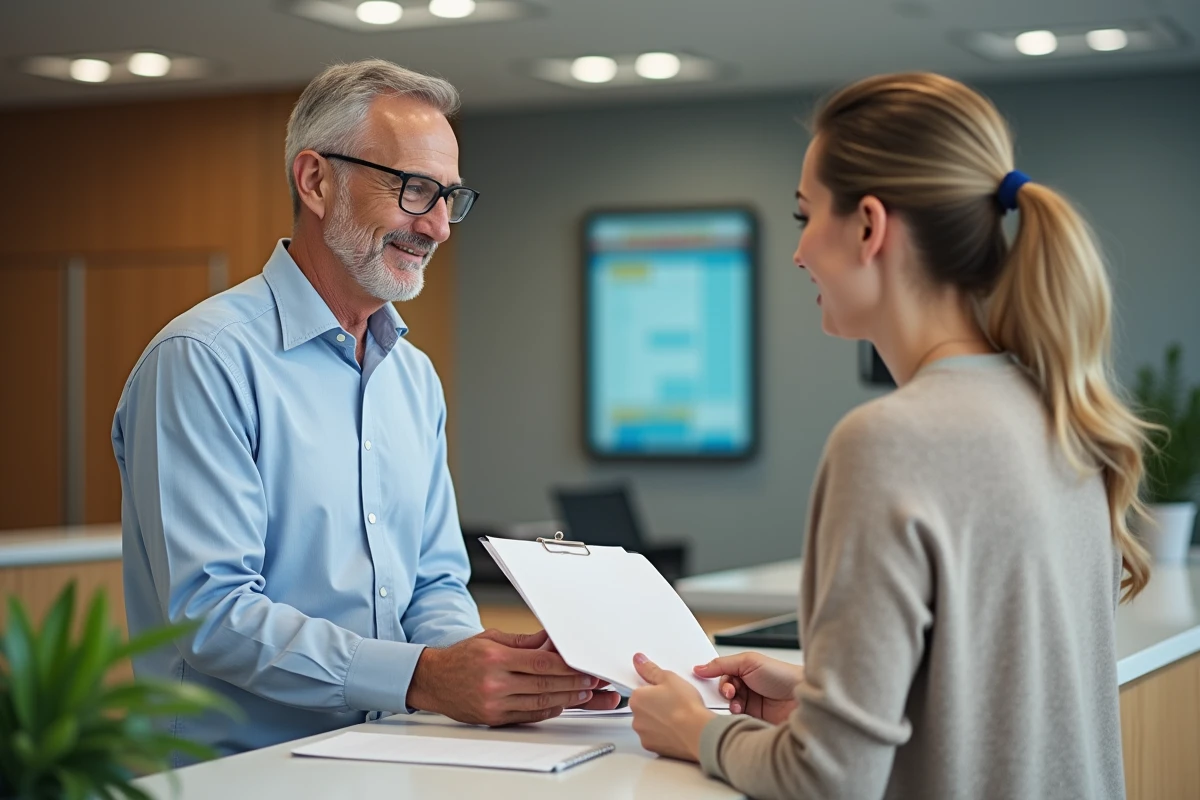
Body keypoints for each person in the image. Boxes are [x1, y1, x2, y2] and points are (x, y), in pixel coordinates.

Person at [626, 72, 1152, 800]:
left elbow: (828, 779)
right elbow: (998, 708)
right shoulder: (1056, 410)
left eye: (804, 215)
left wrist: (697, 730)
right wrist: (822, 693)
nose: (799, 252)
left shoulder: (889, 440)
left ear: (870, 226)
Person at [114, 59, 617, 759]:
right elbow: (210, 616)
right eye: (415, 191)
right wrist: (425, 678)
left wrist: (502, 675)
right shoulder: (204, 359)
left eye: (451, 197)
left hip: (389, 758)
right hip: (236, 775)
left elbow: (433, 585)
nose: (439, 227)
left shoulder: (411, 377)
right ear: (316, 180)